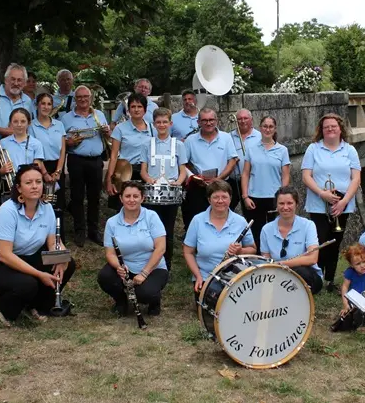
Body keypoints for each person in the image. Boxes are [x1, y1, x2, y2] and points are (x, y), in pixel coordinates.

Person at [0, 164, 76, 326]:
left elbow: (53, 242)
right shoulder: (8, 210)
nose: (35, 186)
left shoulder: (47, 208)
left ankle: (36, 306)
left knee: (68, 264)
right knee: (27, 284)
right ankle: (3, 307)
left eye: (38, 182)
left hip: (29, 256)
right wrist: (39, 274)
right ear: (19, 187)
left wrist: (62, 258)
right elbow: (5, 255)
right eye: (29, 182)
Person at [301, 113, 362, 291]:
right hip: (319, 205)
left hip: (342, 205)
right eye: (326, 126)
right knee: (318, 242)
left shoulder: (349, 150)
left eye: (333, 126)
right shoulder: (313, 149)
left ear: (340, 128)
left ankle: (329, 280)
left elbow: (356, 178)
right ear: (322, 130)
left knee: (335, 242)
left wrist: (344, 202)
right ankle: (315, 279)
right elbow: (306, 176)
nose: (330, 129)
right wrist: (322, 193)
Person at [98, 181, 169, 316]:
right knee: (105, 277)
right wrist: (118, 267)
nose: (131, 200)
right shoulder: (112, 222)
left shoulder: (152, 217)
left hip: (153, 268)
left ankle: (154, 300)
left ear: (142, 198)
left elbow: (160, 249)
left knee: (145, 294)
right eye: (127, 196)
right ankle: (121, 301)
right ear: (121, 198)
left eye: (135, 196)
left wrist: (144, 273)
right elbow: (110, 253)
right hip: (126, 268)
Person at [183, 180, 256, 297]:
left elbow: (252, 249)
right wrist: (198, 276)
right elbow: (188, 252)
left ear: (230, 199)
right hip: (206, 277)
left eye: (224, 197)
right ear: (209, 199)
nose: (220, 201)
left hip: (235, 277)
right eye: (216, 197)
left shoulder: (240, 221)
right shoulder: (198, 220)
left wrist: (240, 251)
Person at [60, 85, 110, 246]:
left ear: (91, 98)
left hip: (96, 161)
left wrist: (107, 132)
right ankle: (80, 231)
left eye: (85, 97)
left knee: (95, 197)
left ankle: (94, 231)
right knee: (77, 197)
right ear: (75, 99)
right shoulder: (66, 118)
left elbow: (108, 136)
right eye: (79, 97)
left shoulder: (99, 115)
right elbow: (62, 143)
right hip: (76, 160)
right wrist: (69, 142)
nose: (83, 100)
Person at [140, 108, 188, 270]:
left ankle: (166, 265)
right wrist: (149, 179)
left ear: (170, 123)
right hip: (152, 194)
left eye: (165, 122)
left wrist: (178, 182)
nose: (162, 125)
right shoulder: (147, 144)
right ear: (154, 124)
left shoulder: (179, 145)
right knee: (150, 229)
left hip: (170, 194)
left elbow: (183, 171)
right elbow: (143, 171)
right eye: (158, 122)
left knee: (167, 230)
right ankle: (150, 263)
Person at [182, 107, 239, 229]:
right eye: (205, 120)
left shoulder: (226, 138)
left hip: (221, 185)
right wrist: (193, 177)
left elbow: (233, 161)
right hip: (198, 187)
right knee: (196, 220)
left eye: (211, 120)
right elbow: (183, 164)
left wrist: (219, 179)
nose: (208, 123)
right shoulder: (190, 140)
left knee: (222, 218)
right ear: (198, 122)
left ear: (217, 120)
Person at [260, 186, 323, 294]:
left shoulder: (308, 225)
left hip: (305, 274)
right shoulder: (266, 229)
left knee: (300, 272)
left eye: (289, 203)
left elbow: (312, 258)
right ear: (276, 205)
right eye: (281, 203)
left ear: (296, 204)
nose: (285, 207)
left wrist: (284, 264)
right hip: (277, 273)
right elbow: (266, 259)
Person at [240, 115, 290, 253]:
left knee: (275, 232)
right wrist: (245, 196)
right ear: (260, 128)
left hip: (274, 198)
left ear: (275, 129)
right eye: (265, 126)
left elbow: (285, 175)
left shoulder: (282, 150)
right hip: (254, 197)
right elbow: (245, 173)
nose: (267, 129)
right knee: (256, 233)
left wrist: (282, 196)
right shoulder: (251, 148)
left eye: (270, 126)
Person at [106, 92, 154, 210]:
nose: (136, 110)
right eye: (133, 106)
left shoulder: (152, 129)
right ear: (128, 110)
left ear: (145, 109)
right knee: (124, 209)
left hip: (146, 173)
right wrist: (109, 179)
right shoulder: (120, 128)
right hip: (125, 173)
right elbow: (113, 156)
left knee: (145, 209)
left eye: (139, 106)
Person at [30, 92, 66, 221]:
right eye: (43, 103)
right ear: (37, 105)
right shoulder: (31, 126)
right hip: (40, 168)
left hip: (57, 168)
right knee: (42, 204)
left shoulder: (59, 125)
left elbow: (63, 150)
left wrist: (58, 171)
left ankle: (58, 237)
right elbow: (34, 151)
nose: (46, 107)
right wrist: (45, 174)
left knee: (58, 205)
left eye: (49, 104)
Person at [332, 243, 365, 331]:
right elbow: (345, 287)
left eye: (364, 262)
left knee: (362, 315)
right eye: (358, 264)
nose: (362, 266)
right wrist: (345, 305)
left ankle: (362, 324)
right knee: (346, 317)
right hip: (353, 302)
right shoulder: (350, 272)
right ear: (352, 265)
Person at [0, 63, 35, 138]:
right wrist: (5, 131)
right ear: (6, 80)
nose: (16, 83)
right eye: (13, 79)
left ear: (24, 83)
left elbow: (29, 125)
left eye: (19, 80)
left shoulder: (27, 101)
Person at [0, 108, 45, 189]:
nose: (19, 125)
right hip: (8, 186)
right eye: (15, 121)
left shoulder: (36, 143)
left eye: (23, 121)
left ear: (29, 123)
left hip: (30, 185)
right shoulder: (2, 143)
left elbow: (37, 168)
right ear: (10, 124)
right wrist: (1, 171)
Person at [228, 109, 261, 211]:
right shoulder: (228, 136)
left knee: (251, 211)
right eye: (240, 119)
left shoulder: (260, 136)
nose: (242, 121)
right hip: (234, 181)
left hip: (252, 181)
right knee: (228, 208)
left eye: (245, 118)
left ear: (251, 120)